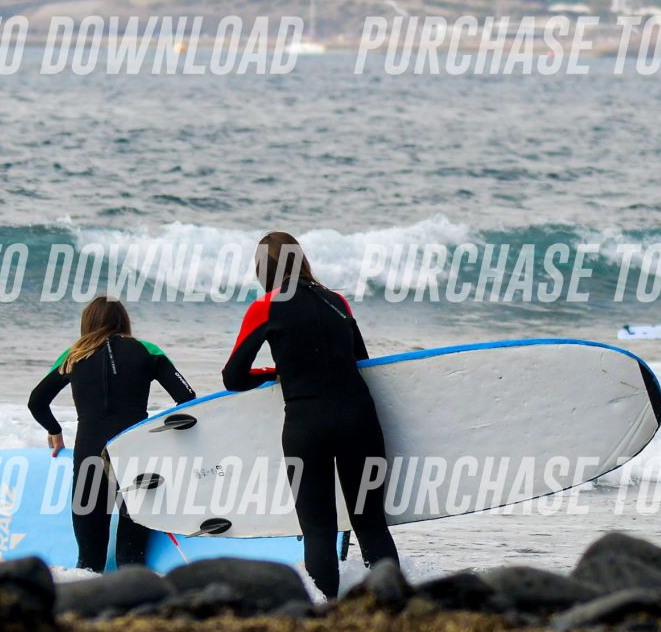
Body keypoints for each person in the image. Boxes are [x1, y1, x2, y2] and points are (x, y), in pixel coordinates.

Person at [222, 231, 401, 597]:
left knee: (319, 530)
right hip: (360, 420)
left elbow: (233, 377)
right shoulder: (337, 301)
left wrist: (274, 373)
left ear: (263, 269)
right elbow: (362, 362)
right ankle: (393, 606)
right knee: (370, 523)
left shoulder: (265, 307)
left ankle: (325, 612)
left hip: (308, 426)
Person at [28, 295, 194, 572]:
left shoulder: (73, 356)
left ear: (87, 323)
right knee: (131, 561)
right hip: (135, 458)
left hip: (89, 459)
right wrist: (163, 437)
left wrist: (54, 430)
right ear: (123, 320)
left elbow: (36, 401)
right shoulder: (147, 351)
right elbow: (188, 398)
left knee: (88, 564)